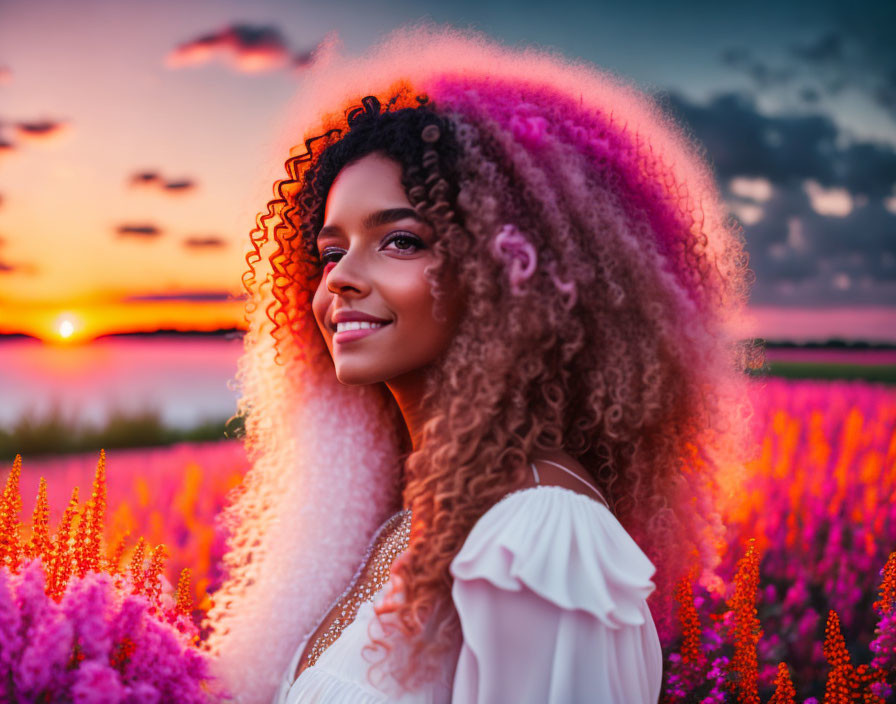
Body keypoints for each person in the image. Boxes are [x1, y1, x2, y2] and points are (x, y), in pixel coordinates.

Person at [201, 23, 757, 704]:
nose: (339, 279)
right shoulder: (418, 519)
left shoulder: (542, 536)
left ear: (510, 272)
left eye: (399, 241)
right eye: (329, 250)